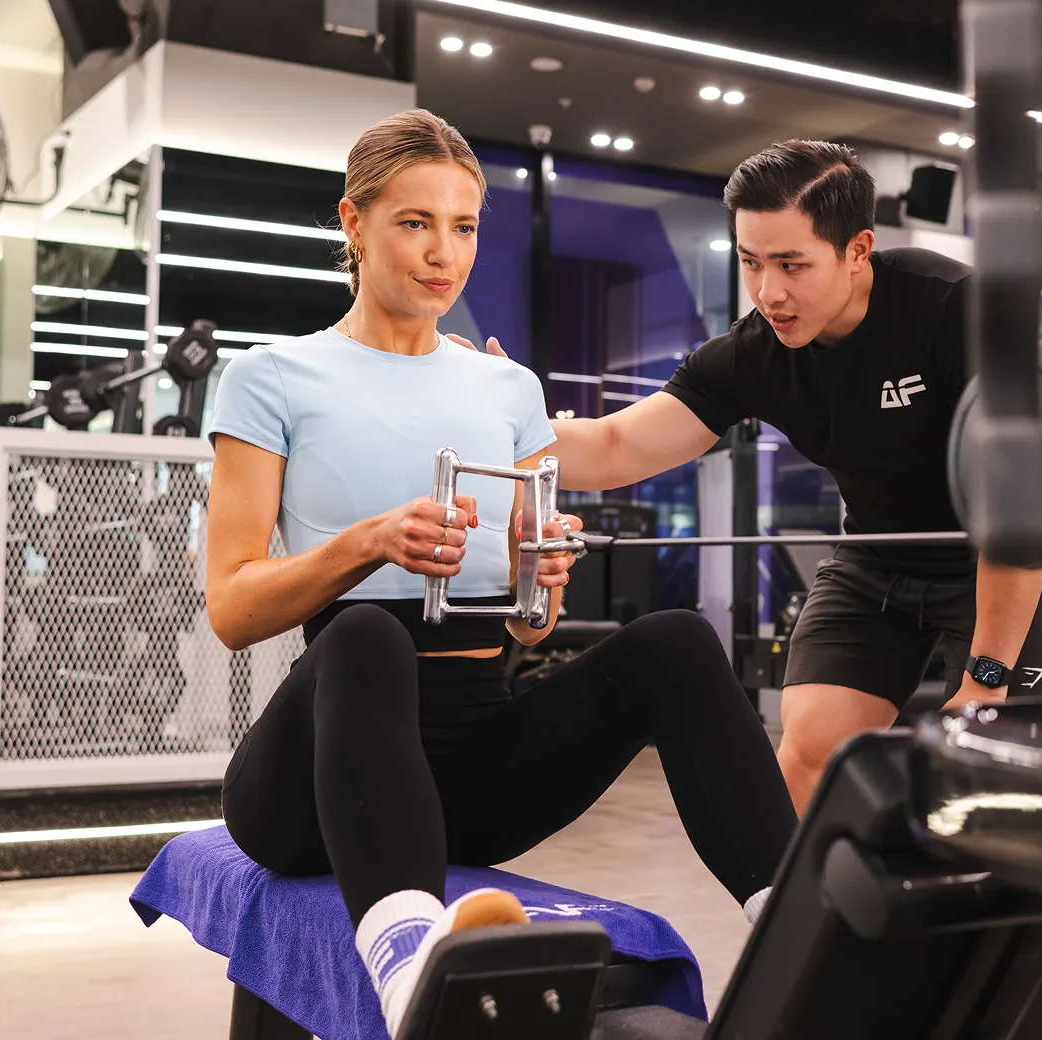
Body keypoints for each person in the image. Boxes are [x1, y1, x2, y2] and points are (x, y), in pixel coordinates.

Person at [205, 109, 797, 1039]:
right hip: (309, 789)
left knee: (677, 643)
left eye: (465, 226)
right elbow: (233, 608)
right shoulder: (272, 376)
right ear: (354, 223)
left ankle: (801, 932)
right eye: (414, 223)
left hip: (473, 779)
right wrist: (366, 544)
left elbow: (530, 629)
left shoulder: (507, 389)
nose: (444, 253)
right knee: (366, 629)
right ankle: (408, 968)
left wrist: (538, 574)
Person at [452, 140, 1042, 816]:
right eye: (751, 262)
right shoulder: (754, 354)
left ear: (858, 250)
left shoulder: (955, 309)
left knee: (996, 785)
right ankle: (799, 888)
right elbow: (615, 446)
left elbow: (1020, 506)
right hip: (875, 565)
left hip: (994, 562)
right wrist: (496, 415)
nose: (769, 292)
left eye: (791, 264)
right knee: (807, 755)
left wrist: (987, 675)